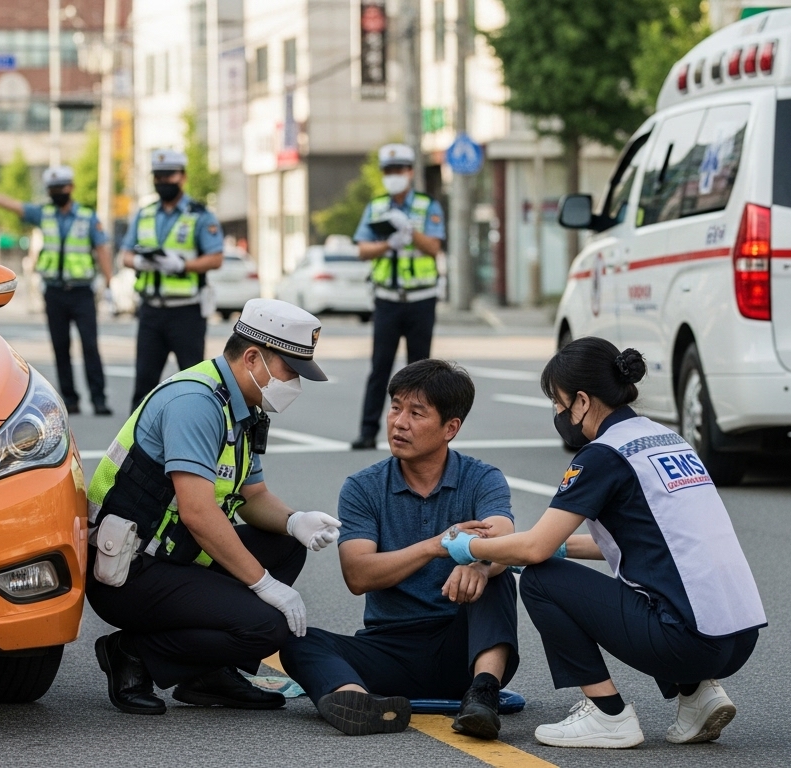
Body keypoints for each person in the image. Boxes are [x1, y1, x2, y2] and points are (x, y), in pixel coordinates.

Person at [441, 337, 766, 749]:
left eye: (558, 404)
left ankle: (607, 713)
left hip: (687, 643)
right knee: (646, 581)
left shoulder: (602, 455)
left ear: (581, 401)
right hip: (738, 637)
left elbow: (534, 551)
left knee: (541, 580)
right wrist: (558, 546)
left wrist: (467, 546)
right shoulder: (666, 439)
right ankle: (698, 696)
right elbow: (655, 543)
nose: (557, 414)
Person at [86, 298, 342, 715]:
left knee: (287, 543)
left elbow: (253, 498)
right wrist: (263, 584)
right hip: (129, 568)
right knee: (268, 625)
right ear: (254, 358)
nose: (294, 383)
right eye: (290, 371)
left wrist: (295, 522)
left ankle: (207, 671)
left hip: (175, 552)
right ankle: (132, 653)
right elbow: (198, 513)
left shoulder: (242, 407)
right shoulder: (196, 403)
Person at [282, 359, 520, 739]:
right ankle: (356, 701)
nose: (399, 422)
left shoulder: (481, 477)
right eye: (395, 407)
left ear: (450, 428)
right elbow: (358, 574)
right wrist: (435, 546)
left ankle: (483, 695)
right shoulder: (364, 487)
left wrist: (479, 563)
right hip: (390, 649)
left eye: (416, 413)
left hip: (465, 647)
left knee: (497, 573)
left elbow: (503, 534)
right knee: (298, 641)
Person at [0, 166, 114, 415]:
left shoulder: (87, 217)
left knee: (90, 346)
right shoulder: (44, 214)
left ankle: (99, 399)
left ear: (70, 188)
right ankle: (70, 399)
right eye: (52, 189)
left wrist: (110, 283)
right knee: (61, 347)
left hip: (82, 292)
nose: (56, 193)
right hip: (55, 293)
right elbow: (13, 205)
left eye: (60, 188)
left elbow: (101, 250)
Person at [351, 144, 446, 450]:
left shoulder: (427, 205)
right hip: (387, 299)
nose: (394, 176)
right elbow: (363, 250)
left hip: (421, 298)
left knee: (421, 372)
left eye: (399, 170)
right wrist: (388, 243)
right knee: (380, 367)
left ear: (410, 172)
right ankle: (367, 432)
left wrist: (410, 232)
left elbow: (433, 247)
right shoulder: (376, 206)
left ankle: (425, 433)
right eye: (389, 171)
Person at [120, 148, 225, 409]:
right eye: (158, 176)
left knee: (193, 382)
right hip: (151, 311)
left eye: (169, 176)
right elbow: (125, 255)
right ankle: (135, 444)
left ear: (183, 177)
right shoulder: (145, 214)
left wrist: (182, 265)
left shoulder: (199, 215)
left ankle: (195, 435)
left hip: (186, 312)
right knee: (144, 381)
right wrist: (140, 261)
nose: (163, 182)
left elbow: (216, 258)